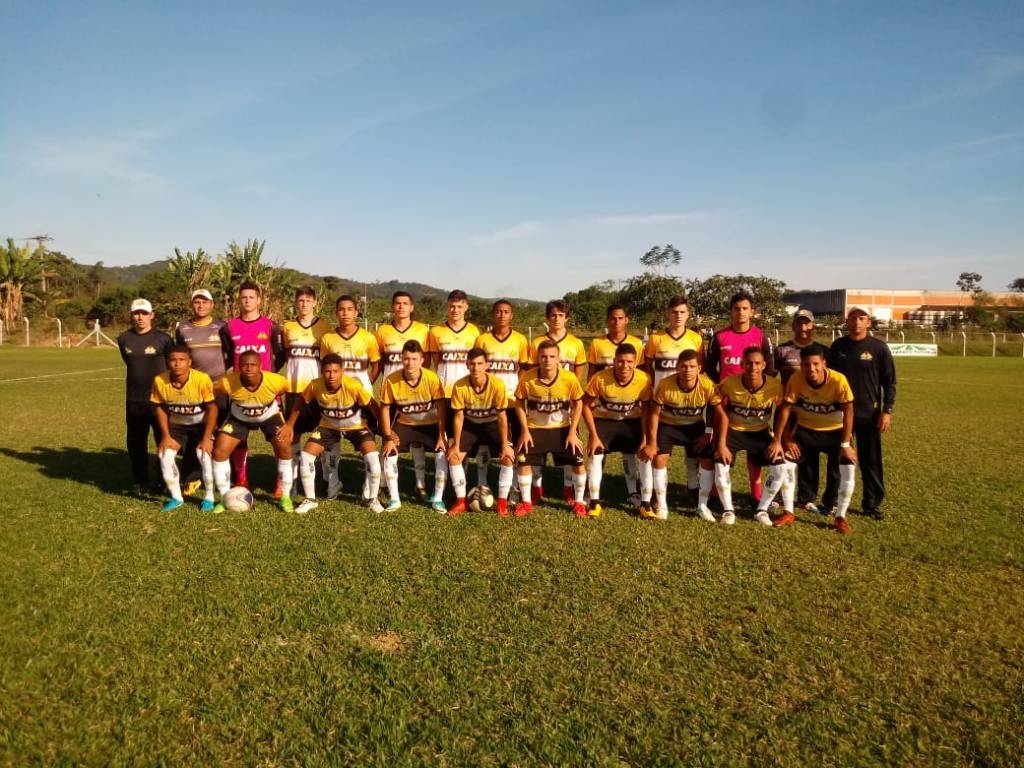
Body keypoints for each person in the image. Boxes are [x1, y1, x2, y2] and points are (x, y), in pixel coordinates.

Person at [762, 346, 857, 534]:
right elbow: (785, 410)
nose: (811, 369)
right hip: (806, 431)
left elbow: (849, 412)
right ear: (802, 365)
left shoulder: (838, 380)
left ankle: (840, 517)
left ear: (824, 364)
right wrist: (782, 440)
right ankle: (788, 512)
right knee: (786, 464)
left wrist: (846, 444)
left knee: (848, 467)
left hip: (835, 433)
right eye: (806, 364)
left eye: (815, 364)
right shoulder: (796, 379)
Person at [280, 354, 383, 515]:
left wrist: (384, 429)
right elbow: (300, 400)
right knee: (306, 456)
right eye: (327, 371)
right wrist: (289, 424)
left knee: (372, 457)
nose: (331, 375)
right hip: (328, 427)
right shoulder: (315, 385)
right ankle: (310, 500)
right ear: (322, 372)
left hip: (356, 427)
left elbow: (372, 405)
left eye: (335, 371)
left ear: (342, 371)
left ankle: (373, 499)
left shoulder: (353, 386)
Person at [704, 292, 776, 505]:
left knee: (755, 449)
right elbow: (710, 367)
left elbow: (770, 368)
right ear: (730, 312)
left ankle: (756, 494)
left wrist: (757, 390)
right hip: (726, 403)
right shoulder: (719, 337)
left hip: (753, 402)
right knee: (721, 445)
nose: (741, 312)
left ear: (752, 312)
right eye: (736, 309)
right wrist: (722, 388)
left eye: (745, 308)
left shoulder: (761, 337)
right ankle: (715, 492)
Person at [828, 305, 896, 520]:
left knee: (870, 460)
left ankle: (871, 503)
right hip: (840, 414)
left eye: (861, 318)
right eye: (853, 318)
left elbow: (889, 382)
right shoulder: (838, 346)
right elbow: (830, 379)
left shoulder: (878, 348)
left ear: (868, 322)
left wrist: (886, 411)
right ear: (847, 321)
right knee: (838, 459)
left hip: (869, 414)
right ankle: (833, 502)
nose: (856, 322)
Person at [219, 282, 286, 489]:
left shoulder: (271, 326)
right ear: (239, 300)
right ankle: (241, 478)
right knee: (239, 437)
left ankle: (280, 482)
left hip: (267, 393)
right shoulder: (229, 328)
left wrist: (268, 376)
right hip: (240, 392)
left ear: (259, 300)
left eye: (251, 297)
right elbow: (227, 356)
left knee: (278, 438)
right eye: (244, 297)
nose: (247, 301)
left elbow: (281, 355)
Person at [644, 349, 724, 521]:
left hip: (694, 426)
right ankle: (662, 505)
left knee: (707, 461)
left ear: (699, 368)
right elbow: (654, 414)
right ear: (677, 367)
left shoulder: (707, 385)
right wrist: (652, 442)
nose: (688, 370)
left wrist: (708, 433)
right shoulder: (665, 384)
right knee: (659, 459)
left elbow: (719, 413)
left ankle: (702, 505)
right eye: (684, 366)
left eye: (692, 366)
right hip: (668, 426)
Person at [210, 351, 294, 513]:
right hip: (239, 417)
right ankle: (224, 498)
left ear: (260, 366)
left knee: (285, 447)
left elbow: (295, 396)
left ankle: (285, 496)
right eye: (245, 365)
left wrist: (289, 424)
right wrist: (214, 421)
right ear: (239, 367)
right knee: (219, 452)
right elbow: (211, 397)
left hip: (269, 416)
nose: (249, 368)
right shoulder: (228, 382)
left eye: (253, 365)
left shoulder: (275, 380)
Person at [513, 339, 587, 518]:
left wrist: (573, 432)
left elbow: (578, 403)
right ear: (538, 358)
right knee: (523, 461)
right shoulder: (528, 377)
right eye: (544, 357)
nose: (548, 360)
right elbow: (519, 403)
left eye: (552, 356)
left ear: (558, 358)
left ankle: (579, 502)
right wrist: (524, 431)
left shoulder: (569, 378)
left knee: (578, 462)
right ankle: (526, 502)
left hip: (563, 428)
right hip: (535, 428)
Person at [714, 346, 785, 526]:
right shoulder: (729, 383)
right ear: (742, 364)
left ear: (764, 365)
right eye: (749, 363)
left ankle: (762, 509)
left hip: (760, 433)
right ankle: (728, 510)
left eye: (757, 363)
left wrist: (778, 441)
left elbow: (784, 412)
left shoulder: (775, 385)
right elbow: (715, 405)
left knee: (780, 469)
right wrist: (720, 442)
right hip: (733, 431)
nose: (753, 367)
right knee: (720, 465)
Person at [773, 308, 836, 514]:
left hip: (812, 411)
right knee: (782, 451)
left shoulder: (823, 351)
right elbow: (770, 376)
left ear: (812, 326)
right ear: (793, 326)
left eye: (806, 322)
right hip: (787, 409)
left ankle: (806, 497)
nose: (803, 326)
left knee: (808, 455)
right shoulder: (782, 350)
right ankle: (777, 495)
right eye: (799, 322)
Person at [581, 343, 654, 517]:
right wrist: (593, 436)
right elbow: (585, 406)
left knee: (644, 454)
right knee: (596, 453)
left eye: (629, 362)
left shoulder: (644, 379)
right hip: (605, 421)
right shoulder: (600, 378)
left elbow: (646, 410)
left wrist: (645, 438)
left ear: (635, 362)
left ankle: (645, 503)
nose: (625, 366)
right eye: (620, 361)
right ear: (614, 361)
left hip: (631, 422)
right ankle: (594, 501)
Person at [644, 296, 704, 504]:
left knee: (693, 453)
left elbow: (699, 368)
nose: (678, 316)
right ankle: (656, 492)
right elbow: (648, 368)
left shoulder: (696, 339)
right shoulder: (656, 339)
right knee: (659, 451)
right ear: (667, 314)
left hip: (688, 405)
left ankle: (692, 487)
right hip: (662, 405)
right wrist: (655, 389)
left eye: (682, 312)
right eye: (674, 312)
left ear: (688, 315)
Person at [527, 299, 587, 503]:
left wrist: (569, 395)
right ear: (547, 318)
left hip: (565, 403)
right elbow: (531, 372)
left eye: (561, 315)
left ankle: (569, 488)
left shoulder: (576, 343)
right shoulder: (536, 343)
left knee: (569, 449)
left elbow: (578, 373)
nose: (557, 319)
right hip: (540, 403)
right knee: (536, 451)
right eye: (553, 315)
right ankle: (536, 488)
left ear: (566, 318)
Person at [586, 303, 646, 505]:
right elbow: (592, 373)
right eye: (613, 318)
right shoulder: (597, 343)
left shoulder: (637, 344)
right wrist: (593, 397)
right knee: (598, 450)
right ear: (608, 320)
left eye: (620, 318)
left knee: (629, 452)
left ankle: (633, 492)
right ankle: (592, 492)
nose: (617, 322)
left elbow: (641, 376)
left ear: (626, 320)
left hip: (629, 409)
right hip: (604, 405)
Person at [378, 340, 448, 512]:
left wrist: (442, 435)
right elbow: (385, 409)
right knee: (389, 453)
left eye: (414, 359)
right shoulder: (391, 380)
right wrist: (387, 436)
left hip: (430, 425)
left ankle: (438, 498)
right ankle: (394, 499)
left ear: (422, 360)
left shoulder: (431, 378)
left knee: (442, 454)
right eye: (407, 359)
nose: (410, 363)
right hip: (405, 424)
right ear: (402, 359)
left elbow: (441, 409)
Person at [446, 349, 517, 516]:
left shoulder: (497, 385)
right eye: (472, 364)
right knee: (454, 457)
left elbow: (502, 417)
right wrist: (456, 445)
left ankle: (502, 503)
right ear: (467, 364)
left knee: (507, 456)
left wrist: (505, 444)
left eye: (479, 364)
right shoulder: (460, 385)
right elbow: (458, 417)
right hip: (470, 425)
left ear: (487, 365)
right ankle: (461, 502)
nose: (476, 368)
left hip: (493, 424)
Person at [425, 289, 480, 504]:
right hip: (443, 393)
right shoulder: (436, 332)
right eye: (451, 306)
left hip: (466, 395)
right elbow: (436, 361)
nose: (455, 310)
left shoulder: (474, 332)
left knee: (461, 441)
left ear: (466, 307)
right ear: (447, 307)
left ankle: (460, 485)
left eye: (459, 306)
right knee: (441, 440)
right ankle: (439, 489)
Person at [150, 345, 218, 513]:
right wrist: (166, 435)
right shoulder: (160, 380)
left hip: (201, 426)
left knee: (204, 455)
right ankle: (176, 498)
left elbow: (212, 408)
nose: (177, 364)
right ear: (167, 362)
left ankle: (209, 497)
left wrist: (207, 438)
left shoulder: (201, 379)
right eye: (173, 360)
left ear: (189, 362)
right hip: (177, 427)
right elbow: (159, 407)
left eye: (182, 360)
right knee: (164, 455)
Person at [376, 291, 431, 497]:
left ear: (411, 307)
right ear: (392, 307)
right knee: (388, 436)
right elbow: (379, 361)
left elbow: (427, 360)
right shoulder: (382, 331)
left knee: (417, 439)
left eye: (405, 303)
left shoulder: (422, 330)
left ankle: (420, 483)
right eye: (397, 303)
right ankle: (383, 482)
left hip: (415, 393)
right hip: (391, 393)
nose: (401, 307)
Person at [117, 298, 174, 495]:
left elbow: (172, 365)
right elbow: (129, 362)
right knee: (136, 443)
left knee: (163, 441)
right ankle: (140, 481)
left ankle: (164, 481)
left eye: (144, 313)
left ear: (152, 315)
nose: (140, 317)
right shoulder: (124, 338)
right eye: (136, 313)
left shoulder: (164, 339)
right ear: (131, 315)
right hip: (134, 401)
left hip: (160, 401)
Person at [280, 287, 334, 496]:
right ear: (296, 302)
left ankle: (327, 479)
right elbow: (287, 355)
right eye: (300, 300)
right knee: (293, 436)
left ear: (315, 303)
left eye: (308, 300)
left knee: (325, 435)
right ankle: (293, 482)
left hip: (318, 391)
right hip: (294, 390)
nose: (304, 304)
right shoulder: (288, 327)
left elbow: (329, 360)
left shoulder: (325, 327)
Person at [472, 299, 530, 490]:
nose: (502, 315)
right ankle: (482, 482)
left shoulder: (520, 340)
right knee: (483, 442)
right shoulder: (482, 339)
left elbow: (524, 368)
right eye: (498, 311)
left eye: (506, 312)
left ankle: (513, 486)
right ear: (493, 314)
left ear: (511, 315)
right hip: (487, 400)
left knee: (513, 442)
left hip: (511, 400)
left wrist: (516, 387)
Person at [174, 288, 227, 493]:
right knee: (194, 432)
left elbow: (231, 354)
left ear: (212, 305)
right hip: (194, 390)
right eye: (197, 302)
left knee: (221, 433)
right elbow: (180, 356)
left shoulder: (222, 327)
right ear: (192, 304)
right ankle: (192, 476)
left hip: (220, 389)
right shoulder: (182, 328)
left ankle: (220, 475)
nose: (201, 305)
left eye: (205, 302)